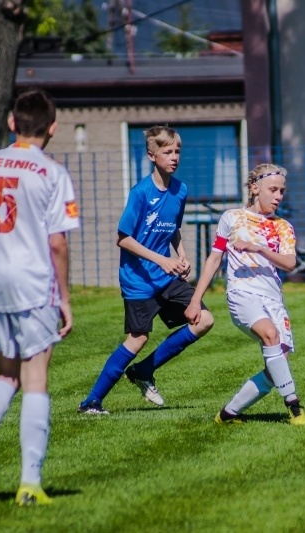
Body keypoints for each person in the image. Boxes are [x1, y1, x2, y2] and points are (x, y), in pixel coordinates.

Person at [0, 88, 79, 505]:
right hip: (31, 281)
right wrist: (65, 298)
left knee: (6, 373)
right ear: (54, 128)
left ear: (12, 123)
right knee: (34, 378)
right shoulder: (52, 172)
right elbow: (58, 243)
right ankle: (30, 483)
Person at [77, 126, 214, 415]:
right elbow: (123, 238)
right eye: (167, 152)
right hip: (138, 280)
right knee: (138, 338)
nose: (174, 157)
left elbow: (172, 228)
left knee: (203, 319)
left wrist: (182, 255)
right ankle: (92, 401)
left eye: (177, 151)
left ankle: (143, 371)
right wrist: (162, 260)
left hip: (166, 277)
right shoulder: (140, 193)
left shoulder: (181, 190)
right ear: (152, 155)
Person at [187, 163, 305, 425]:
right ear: (254, 188)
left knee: (276, 367)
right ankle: (294, 406)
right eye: (273, 190)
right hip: (242, 294)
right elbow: (214, 259)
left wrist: (258, 248)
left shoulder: (283, 226)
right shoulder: (231, 218)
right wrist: (195, 300)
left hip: (273, 299)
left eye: (282, 191)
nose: (278, 196)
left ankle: (227, 414)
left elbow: (289, 263)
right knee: (269, 334)